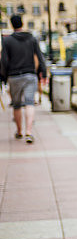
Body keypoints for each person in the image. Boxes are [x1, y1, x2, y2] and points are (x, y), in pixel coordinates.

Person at [0, 14, 46, 143]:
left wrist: (3, 76)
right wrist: (43, 72)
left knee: (17, 105)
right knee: (30, 103)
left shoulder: (7, 41)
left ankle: (19, 131)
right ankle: (29, 132)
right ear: (22, 23)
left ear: (11, 24)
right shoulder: (31, 38)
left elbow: (3, 60)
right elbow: (40, 56)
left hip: (14, 76)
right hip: (30, 75)